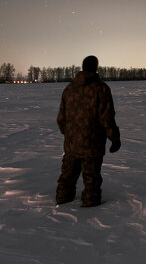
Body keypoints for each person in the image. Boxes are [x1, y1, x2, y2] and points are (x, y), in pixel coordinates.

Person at [56, 55, 121, 207]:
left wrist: (71, 135)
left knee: (67, 176)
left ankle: (62, 199)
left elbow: (61, 118)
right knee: (91, 179)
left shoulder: (69, 89)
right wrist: (114, 138)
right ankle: (90, 207)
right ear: (96, 67)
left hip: (72, 144)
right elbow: (106, 117)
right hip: (92, 144)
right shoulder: (101, 88)